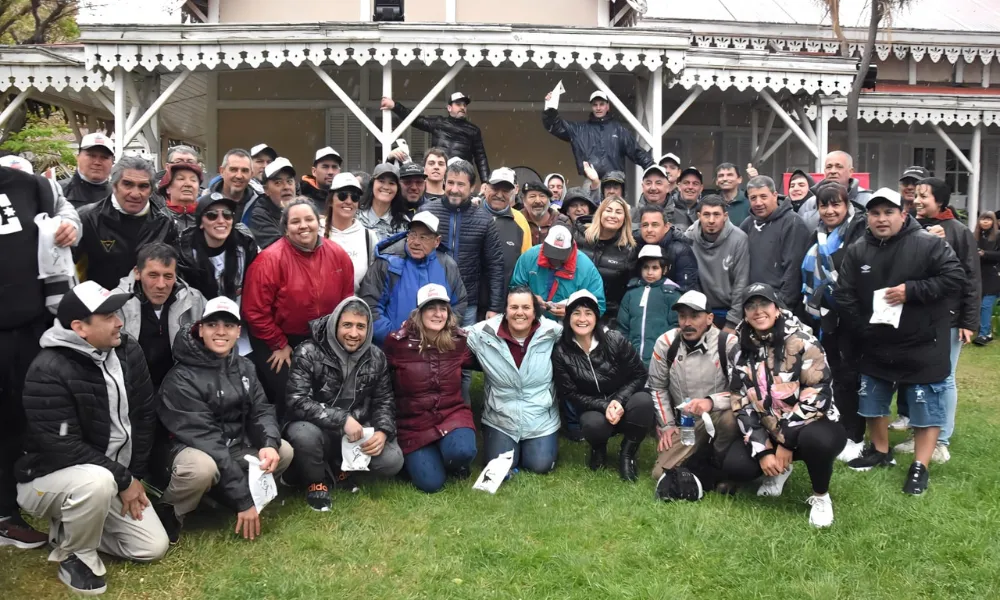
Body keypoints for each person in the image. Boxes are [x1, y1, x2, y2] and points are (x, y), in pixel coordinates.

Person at [16, 281, 169, 594]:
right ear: (79, 328)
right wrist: (124, 480)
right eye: (108, 316)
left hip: (108, 477)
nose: (119, 322)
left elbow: (144, 416)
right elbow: (63, 448)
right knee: (96, 482)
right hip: (47, 477)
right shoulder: (48, 369)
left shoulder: (128, 349)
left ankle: (72, 528)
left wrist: (135, 475)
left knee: (152, 547)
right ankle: (76, 555)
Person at [835, 189, 964, 495]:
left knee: (925, 405)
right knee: (873, 399)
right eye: (875, 213)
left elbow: (956, 278)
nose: (882, 219)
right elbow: (844, 292)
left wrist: (912, 291)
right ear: (868, 217)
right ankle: (880, 451)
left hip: (922, 341)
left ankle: (920, 466)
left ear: (903, 214)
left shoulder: (928, 244)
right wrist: (863, 327)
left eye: (889, 212)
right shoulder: (857, 249)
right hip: (875, 341)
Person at [154, 296, 292, 543]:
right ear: (200, 329)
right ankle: (171, 511)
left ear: (238, 332)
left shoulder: (245, 366)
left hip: (231, 446)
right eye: (212, 325)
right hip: (189, 451)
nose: (220, 331)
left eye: (228, 325)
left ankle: (220, 498)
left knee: (284, 451)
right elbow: (208, 441)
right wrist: (243, 500)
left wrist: (269, 444)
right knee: (202, 470)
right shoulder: (181, 378)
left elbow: (261, 410)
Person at [0, 164, 80, 550]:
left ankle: (12, 507)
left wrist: (69, 226)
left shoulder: (29, 184)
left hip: (34, 327)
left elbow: (66, 212)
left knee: (24, 418)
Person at [721, 283, 845, 527]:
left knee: (816, 442)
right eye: (751, 306)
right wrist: (764, 450)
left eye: (764, 304)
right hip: (770, 429)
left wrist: (786, 441)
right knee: (736, 467)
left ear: (776, 308)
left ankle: (821, 496)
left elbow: (818, 395)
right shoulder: (738, 350)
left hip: (814, 425)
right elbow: (741, 402)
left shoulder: (804, 342)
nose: (758, 311)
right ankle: (780, 471)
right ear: (745, 313)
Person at [284, 297, 403, 509]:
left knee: (392, 460)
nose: (353, 333)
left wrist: (383, 431)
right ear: (335, 324)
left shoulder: (377, 356)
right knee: (303, 435)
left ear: (368, 328)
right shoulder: (308, 351)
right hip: (316, 427)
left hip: (355, 431)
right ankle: (317, 481)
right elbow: (296, 401)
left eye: (360, 326)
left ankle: (338, 466)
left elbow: (384, 400)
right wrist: (342, 419)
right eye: (347, 325)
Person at [898, 176, 980, 462]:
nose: (917, 200)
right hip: (917, 315)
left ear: (941, 201)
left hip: (949, 318)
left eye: (925, 196)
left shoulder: (957, 231)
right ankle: (918, 434)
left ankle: (941, 439)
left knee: (944, 378)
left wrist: (969, 321)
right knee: (918, 376)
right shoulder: (910, 225)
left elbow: (970, 277)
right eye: (916, 195)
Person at [243, 199, 354, 407]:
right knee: (291, 393)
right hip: (278, 338)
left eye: (309, 219)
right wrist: (278, 344)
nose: (303, 226)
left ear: (318, 222)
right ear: (286, 228)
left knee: (326, 393)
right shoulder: (268, 260)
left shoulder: (338, 254)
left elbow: (346, 301)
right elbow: (254, 311)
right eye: (295, 222)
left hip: (323, 338)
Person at [797, 182, 867, 462]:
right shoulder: (817, 235)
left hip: (852, 314)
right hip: (825, 315)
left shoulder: (858, 232)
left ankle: (856, 435)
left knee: (851, 376)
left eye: (836, 204)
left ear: (847, 205)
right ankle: (840, 426)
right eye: (823, 205)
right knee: (833, 372)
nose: (829, 211)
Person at [384, 284, 477, 493]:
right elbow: (381, 379)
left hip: (451, 414)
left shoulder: (458, 341)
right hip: (413, 422)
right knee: (431, 483)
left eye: (443, 308)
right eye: (431, 308)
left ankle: (452, 455)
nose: (438, 314)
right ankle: (425, 458)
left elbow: (485, 360)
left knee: (463, 451)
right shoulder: (397, 343)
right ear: (419, 312)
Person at [552, 290, 653, 481]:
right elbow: (569, 393)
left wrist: (619, 400)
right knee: (592, 424)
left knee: (644, 401)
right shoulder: (561, 352)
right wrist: (604, 406)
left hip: (623, 401)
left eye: (588, 313)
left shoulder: (614, 339)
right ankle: (599, 448)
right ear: (568, 318)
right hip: (594, 407)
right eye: (576, 313)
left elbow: (640, 374)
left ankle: (628, 453)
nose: (582, 319)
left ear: (596, 317)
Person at [647, 290, 739, 492]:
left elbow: (741, 392)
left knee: (731, 419)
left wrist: (711, 402)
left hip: (718, 415)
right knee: (660, 473)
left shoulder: (728, 343)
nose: (687, 323)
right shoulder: (666, 343)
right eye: (682, 316)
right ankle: (702, 465)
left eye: (695, 316)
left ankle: (720, 468)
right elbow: (657, 387)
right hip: (686, 422)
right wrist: (667, 425)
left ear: (709, 318)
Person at [466, 286, 562, 474]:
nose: (520, 313)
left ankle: (536, 448)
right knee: (499, 468)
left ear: (535, 311)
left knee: (539, 466)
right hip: (501, 416)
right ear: (505, 310)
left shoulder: (552, 332)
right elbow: (451, 336)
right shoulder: (483, 333)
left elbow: (582, 337)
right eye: (514, 307)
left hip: (540, 416)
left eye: (526, 307)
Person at [418, 158, 505, 326]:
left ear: (472, 187)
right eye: (450, 183)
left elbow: (495, 265)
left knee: (462, 343)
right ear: (444, 182)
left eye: (461, 184)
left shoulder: (484, 219)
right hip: (429, 297)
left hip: (467, 302)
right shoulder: (427, 211)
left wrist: (494, 307)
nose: (454, 189)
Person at [360, 212, 468, 345]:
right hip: (393, 349)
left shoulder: (448, 266)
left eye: (423, 237)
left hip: (437, 348)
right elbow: (370, 305)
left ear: (437, 241)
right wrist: (394, 337)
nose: (416, 242)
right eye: (412, 235)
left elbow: (459, 304)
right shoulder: (387, 263)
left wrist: (441, 334)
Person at [75, 155, 177, 290]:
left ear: (151, 190)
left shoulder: (165, 222)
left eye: (143, 186)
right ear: (114, 185)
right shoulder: (87, 218)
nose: (135, 194)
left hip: (146, 302)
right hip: (101, 301)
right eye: (127, 184)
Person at [114, 243, 205, 389]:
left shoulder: (194, 301)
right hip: (131, 389)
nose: (161, 285)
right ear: (137, 273)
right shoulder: (116, 304)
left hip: (181, 389)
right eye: (153, 275)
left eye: (168, 276)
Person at [383, 92, 490, 184]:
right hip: (437, 176)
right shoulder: (439, 123)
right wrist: (395, 106)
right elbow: (416, 120)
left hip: (460, 177)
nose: (462, 107)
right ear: (449, 108)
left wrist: (485, 182)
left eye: (464, 105)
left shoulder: (473, 130)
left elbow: (481, 157)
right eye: (458, 104)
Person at [543, 90, 653, 178]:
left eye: (601, 104)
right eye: (595, 105)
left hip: (615, 182)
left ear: (607, 106)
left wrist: (654, 169)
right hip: (590, 182)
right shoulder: (580, 130)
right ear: (592, 107)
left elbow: (637, 153)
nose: (598, 108)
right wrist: (549, 107)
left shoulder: (619, 130)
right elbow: (555, 126)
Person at [739, 175, 811, 309]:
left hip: (781, 306)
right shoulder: (747, 225)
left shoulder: (793, 223)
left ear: (775, 195)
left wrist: (782, 307)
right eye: (753, 198)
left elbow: (793, 272)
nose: (758, 202)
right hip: (752, 303)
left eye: (763, 196)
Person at [175, 191, 259, 304]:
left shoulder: (245, 245)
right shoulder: (184, 253)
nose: (221, 221)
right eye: (212, 215)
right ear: (201, 223)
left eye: (227, 214)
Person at [510, 223, 606, 319]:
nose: (555, 260)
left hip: (567, 325)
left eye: (561, 257)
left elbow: (598, 306)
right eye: (551, 254)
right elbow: (514, 288)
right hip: (532, 321)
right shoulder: (529, 257)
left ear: (572, 247)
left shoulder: (586, 268)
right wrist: (530, 298)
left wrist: (573, 312)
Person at [686, 195, 750, 331]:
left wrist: (732, 322)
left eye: (716, 214)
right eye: (706, 215)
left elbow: (741, 283)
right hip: (701, 309)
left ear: (725, 216)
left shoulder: (739, 239)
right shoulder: (689, 237)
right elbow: (689, 280)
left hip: (730, 310)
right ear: (699, 216)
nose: (711, 220)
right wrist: (700, 315)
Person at [575, 195, 636, 326]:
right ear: (600, 213)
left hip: (608, 317)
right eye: (608, 210)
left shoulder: (629, 250)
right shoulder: (578, 236)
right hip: (574, 309)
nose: (612, 215)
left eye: (618, 212)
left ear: (625, 219)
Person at [617, 245, 681, 365]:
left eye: (655, 268)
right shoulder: (631, 293)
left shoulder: (672, 294)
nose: (649, 272)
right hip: (632, 360)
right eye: (646, 267)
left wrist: (666, 351)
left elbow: (676, 326)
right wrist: (626, 351)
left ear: (664, 270)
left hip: (661, 359)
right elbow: (622, 326)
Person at [481, 168, 532, 317]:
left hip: (505, 305)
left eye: (505, 190)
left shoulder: (520, 220)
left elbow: (525, 266)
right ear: (485, 187)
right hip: (470, 304)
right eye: (495, 188)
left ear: (513, 191)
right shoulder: (472, 213)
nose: (499, 194)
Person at [323, 172, 379, 291]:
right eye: (342, 195)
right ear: (331, 200)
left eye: (354, 197)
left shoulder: (369, 237)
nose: (349, 201)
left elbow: (372, 284)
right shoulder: (316, 231)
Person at [635, 204, 700, 292]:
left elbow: (686, 290)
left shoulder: (681, 250)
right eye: (645, 225)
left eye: (655, 225)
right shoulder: (635, 246)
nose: (649, 230)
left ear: (666, 227)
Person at [798, 151, 872, 229]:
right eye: (829, 167)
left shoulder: (867, 200)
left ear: (851, 172)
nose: (832, 171)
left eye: (839, 167)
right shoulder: (810, 204)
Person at [249, 157, 298, 249]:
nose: (286, 187)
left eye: (289, 181)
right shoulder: (259, 216)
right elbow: (281, 249)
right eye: (278, 183)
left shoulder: (305, 210)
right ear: (266, 190)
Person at [209, 149, 262, 226]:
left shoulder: (260, 205)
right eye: (233, 169)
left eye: (244, 170)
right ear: (222, 171)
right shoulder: (203, 202)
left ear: (251, 174)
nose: (239, 176)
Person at [358, 162, 410, 241]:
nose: (386, 187)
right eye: (381, 181)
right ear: (372, 184)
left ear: (397, 189)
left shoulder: (403, 223)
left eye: (391, 183)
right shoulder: (356, 216)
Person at [61, 132, 113, 209]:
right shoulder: (57, 192)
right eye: (92, 156)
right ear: (78, 158)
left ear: (112, 162)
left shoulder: (119, 196)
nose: (97, 162)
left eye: (104, 157)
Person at [973, 211, 1000, 345]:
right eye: (983, 219)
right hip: (978, 275)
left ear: (993, 222)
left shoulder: (998, 236)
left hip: (993, 276)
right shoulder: (975, 236)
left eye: (988, 219)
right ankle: (986, 331)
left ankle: (984, 334)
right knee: (979, 305)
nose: (985, 222)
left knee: (986, 305)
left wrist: (985, 254)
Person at [157, 161, 204, 234]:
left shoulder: (208, 217)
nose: (188, 184)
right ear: (168, 188)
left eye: (193, 180)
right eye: (181, 179)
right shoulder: (158, 218)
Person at [521, 180, 570, 246]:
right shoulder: (516, 220)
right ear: (524, 200)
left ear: (548, 200)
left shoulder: (562, 221)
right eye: (532, 196)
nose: (538, 201)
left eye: (542, 196)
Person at [671, 167, 704, 231]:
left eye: (695, 184)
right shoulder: (667, 208)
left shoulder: (705, 211)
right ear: (679, 186)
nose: (690, 187)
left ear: (701, 188)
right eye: (686, 183)